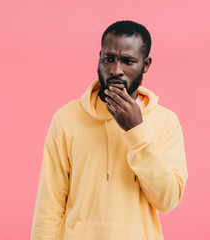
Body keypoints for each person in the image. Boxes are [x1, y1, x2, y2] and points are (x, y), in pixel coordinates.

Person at [31, 20, 188, 240]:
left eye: (128, 61)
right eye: (109, 59)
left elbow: (167, 200)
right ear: (100, 57)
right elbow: (50, 204)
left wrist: (136, 131)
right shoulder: (66, 118)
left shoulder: (166, 121)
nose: (116, 70)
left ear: (146, 64)